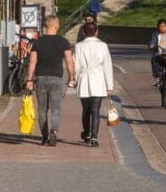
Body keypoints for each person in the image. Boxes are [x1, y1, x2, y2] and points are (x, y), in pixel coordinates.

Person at [25, 14, 75, 146]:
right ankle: (54, 130)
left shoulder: (38, 42)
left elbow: (32, 63)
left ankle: (44, 136)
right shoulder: (63, 42)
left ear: (45, 26)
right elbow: (69, 61)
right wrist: (71, 77)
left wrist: (29, 80)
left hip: (40, 78)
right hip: (57, 79)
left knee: (42, 109)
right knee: (56, 109)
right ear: (56, 26)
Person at [75, 22, 115, 147]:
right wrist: (109, 85)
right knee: (95, 110)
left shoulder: (79, 46)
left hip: (84, 79)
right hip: (98, 80)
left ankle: (87, 133)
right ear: (97, 31)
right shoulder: (103, 46)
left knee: (85, 110)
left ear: (83, 32)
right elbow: (107, 66)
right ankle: (94, 136)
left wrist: (74, 80)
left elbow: (76, 65)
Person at [148, 18, 166, 86]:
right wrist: (152, 46)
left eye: (164, 26)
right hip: (159, 53)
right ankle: (157, 77)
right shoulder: (155, 34)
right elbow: (152, 42)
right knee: (154, 59)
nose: (162, 28)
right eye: (160, 26)